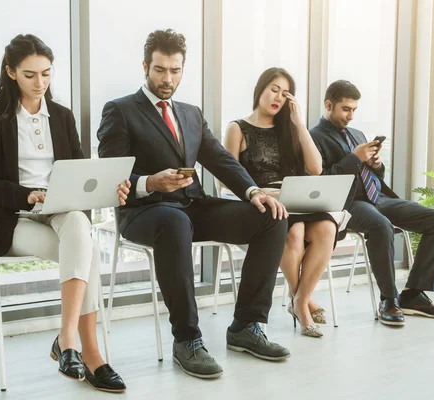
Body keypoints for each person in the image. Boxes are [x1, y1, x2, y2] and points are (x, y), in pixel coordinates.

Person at [97, 29, 291, 379]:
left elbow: (220, 159)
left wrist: (254, 193)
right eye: (159, 70)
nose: (167, 78)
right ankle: (186, 339)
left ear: (182, 69)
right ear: (145, 66)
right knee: (174, 223)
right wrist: (149, 182)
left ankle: (247, 326)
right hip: (144, 212)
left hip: (191, 207)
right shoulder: (121, 110)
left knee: (271, 217)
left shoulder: (190, 113)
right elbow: (111, 176)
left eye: (174, 70)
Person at [0, 34, 128, 392]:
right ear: (10, 72)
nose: (40, 83)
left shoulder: (61, 116)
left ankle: (67, 339)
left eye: (46, 74)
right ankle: (90, 354)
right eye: (29, 75)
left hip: (60, 211)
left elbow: (81, 174)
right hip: (14, 219)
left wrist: (108, 187)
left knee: (77, 224)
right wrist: (28, 195)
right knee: (83, 249)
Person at [310, 79, 434, 326]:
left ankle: (412, 294)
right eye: (346, 109)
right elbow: (322, 182)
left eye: (354, 110)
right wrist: (354, 158)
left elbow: (373, 175)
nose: (351, 116)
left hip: (378, 197)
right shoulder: (314, 137)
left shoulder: (357, 134)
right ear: (329, 105)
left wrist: (376, 165)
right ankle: (389, 299)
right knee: (381, 226)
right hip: (348, 203)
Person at [224, 68, 349, 338]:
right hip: (262, 203)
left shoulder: (290, 129)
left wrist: (299, 124)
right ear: (260, 89)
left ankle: (299, 300)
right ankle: (302, 304)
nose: (278, 98)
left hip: (297, 199)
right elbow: (226, 179)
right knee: (295, 232)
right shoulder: (237, 128)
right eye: (273, 89)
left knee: (327, 229)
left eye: (285, 93)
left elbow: (315, 169)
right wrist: (259, 193)